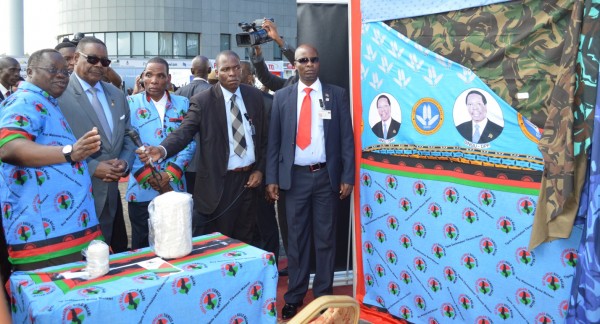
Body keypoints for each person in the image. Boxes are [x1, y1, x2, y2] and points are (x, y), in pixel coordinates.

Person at [137, 50, 267, 243]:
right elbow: (184, 131)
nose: (232, 73)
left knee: (247, 238)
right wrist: (162, 149)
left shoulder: (254, 96)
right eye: (226, 69)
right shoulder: (203, 101)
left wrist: (259, 170)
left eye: (236, 68)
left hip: (250, 182)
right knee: (221, 240)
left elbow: (264, 138)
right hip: (220, 183)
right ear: (215, 71)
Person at [266, 44, 355, 319]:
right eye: (303, 60)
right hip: (294, 179)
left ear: (319, 62)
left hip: (326, 178)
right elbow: (274, 142)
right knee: (297, 241)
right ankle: (294, 295)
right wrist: (272, 178)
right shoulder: (281, 97)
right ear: (295, 64)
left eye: (314, 59)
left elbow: (346, 140)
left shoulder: (335, 95)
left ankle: (324, 297)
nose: (309, 64)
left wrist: (347, 176)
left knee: (326, 240)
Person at [0, 49, 103, 271]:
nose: (61, 76)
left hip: (69, 230)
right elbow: (9, 147)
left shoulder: (46, 102)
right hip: (46, 238)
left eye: (65, 72)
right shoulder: (24, 101)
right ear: (29, 72)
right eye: (53, 70)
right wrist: (70, 152)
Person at [58, 37, 135, 253]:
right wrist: (92, 167)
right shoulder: (58, 94)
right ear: (75, 58)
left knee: (101, 258)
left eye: (105, 62)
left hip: (109, 196)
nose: (99, 66)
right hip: (72, 197)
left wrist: (124, 163)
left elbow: (129, 134)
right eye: (92, 59)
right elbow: (53, 143)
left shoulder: (117, 95)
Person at [126, 57, 195, 249]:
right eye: (149, 75)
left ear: (168, 78)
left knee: (176, 242)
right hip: (141, 190)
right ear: (142, 78)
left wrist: (169, 174)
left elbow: (190, 140)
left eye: (160, 76)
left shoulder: (183, 103)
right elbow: (126, 144)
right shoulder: (130, 103)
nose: (154, 80)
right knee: (142, 245)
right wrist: (151, 177)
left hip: (175, 186)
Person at [174, 55, 212, 195]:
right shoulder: (214, 93)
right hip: (206, 158)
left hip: (182, 158)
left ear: (191, 70)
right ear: (209, 70)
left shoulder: (178, 93)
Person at [250, 19, 297, 92]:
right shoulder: (289, 85)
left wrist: (278, 39)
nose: (308, 64)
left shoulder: (296, 84)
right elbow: (265, 78)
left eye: (313, 60)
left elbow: (301, 61)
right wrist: (258, 51)